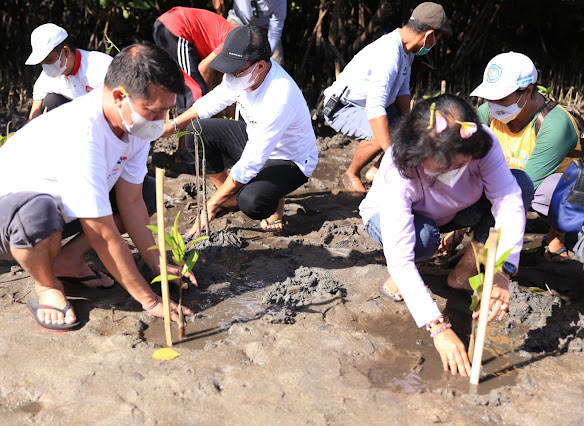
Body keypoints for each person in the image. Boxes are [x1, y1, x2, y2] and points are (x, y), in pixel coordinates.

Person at [0, 43, 196, 331]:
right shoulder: (83, 132)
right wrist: (150, 301)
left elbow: (131, 201)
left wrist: (155, 260)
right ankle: (47, 285)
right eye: (154, 112)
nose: (161, 122)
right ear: (120, 96)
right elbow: (103, 235)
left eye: (167, 112)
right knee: (38, 213)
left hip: (58, 212)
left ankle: (66, 260)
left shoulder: (134, 126)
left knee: (145, 193)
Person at [359, 95, 527, 376]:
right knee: (422, 239)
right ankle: (409, 274)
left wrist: (503, 270)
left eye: (458, 163)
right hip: (395, 219)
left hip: (453, 212)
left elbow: (507, 202)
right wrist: (438, 327)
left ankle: (463, 272)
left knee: (519, 184)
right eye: (440, 166)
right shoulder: (399, 167)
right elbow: (400, 256)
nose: (450, 172)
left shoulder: (479, 142)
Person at [162, 25, 317, 233]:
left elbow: (250, 163)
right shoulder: (242, 74)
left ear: (260, 66)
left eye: (235, 71)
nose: (230, 76)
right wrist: (172, 126)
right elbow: (213, 101)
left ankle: (274, 202)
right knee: (195, 132)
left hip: (290, 158)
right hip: (256, 135)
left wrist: (211, 205)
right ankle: (229, 197)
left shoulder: (279, 97)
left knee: (252, 202)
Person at [322, 2, 451, 194]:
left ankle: (376, 170)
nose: (434, 45)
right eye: (436, 40)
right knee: (380, 135)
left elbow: (402, 92)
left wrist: (413, 126)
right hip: (342, 108)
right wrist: (395, 155)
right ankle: (351, 174)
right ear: (429, 35)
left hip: (369, 105)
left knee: (411, 126)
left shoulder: (407, 52)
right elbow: (375, 108)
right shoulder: (389, 53)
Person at [470, 52, 581, 260]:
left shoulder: (555, 123)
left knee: (548, 193)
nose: (493, 103)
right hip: (507, 180)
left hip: (557, 187)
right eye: (489, 97)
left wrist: (480, 246)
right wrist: (456, 232)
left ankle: (558, 235)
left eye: (502, 98)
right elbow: (468, 165)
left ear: (528, 91)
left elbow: (520, 188)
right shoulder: (488, 113)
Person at [152, 7, 235, 160]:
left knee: (185, 93)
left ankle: (181, 150)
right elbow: (204, 68)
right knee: (196, 91)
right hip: (176, 28)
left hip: (170, 27)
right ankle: (186, 149)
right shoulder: (233, 43)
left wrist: (233, 121)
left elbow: (223, 90)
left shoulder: (238, 51)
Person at [25, 23, 113, 121]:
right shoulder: (45, 79)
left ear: (66, 52)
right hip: (74, 125)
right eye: (41, 63)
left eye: (49, 60)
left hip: (103, 122)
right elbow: (33, 116)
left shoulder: (101, 66)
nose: (45, 66)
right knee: (51, 101)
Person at [213, 0, 286, 65]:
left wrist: (268, 53)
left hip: (265, 28)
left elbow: (275, 32)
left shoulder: (280, 2)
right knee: (226, 52)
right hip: (238, 20)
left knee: (276, 62)